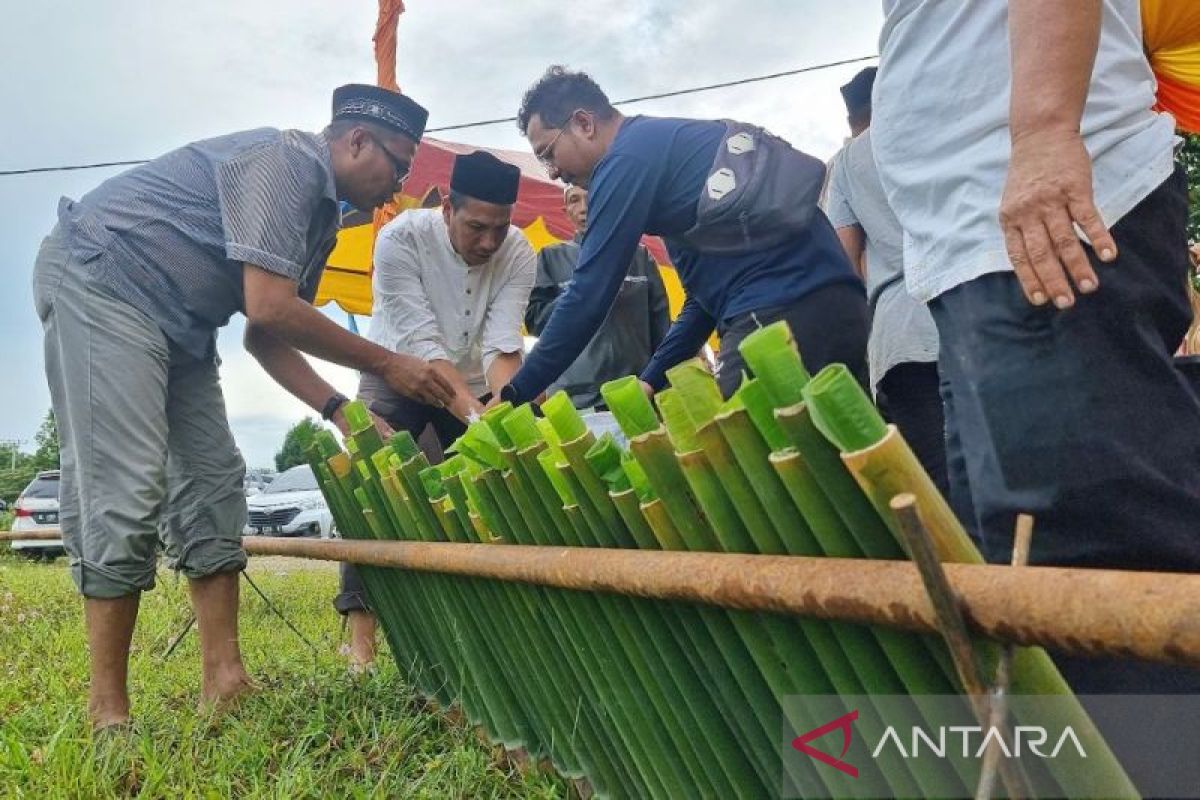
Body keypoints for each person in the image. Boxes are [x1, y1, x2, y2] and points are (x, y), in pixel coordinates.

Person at [33, 83, 455, 730]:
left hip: (181, 322)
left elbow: (266, 334)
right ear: (356, 140)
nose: (398, 184)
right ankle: (107, 713)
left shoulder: (326, 220)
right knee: (128, 483)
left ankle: (225, 681)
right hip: (103, 278)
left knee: (212, 481)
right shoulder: (289, 163)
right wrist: (388, 363)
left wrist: (340, 410)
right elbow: (269, 307)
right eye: (397, 164)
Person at [872, 0, 1200, 700]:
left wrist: (1045, 136)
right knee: (1025, 573)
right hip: (980, 239)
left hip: (1046, 220)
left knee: (1099, 578)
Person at [496, 66, 868, 405]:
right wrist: (652, 379)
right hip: (836, 303)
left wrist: (516, 392)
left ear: (583, 123)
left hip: (776, 315)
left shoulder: (624, 161)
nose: (552, 172)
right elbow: (704, 301)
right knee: (855, 460)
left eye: (548, 153)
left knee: (753, 464)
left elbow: (590, 291)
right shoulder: (663, 154)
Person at [334, 150, 536, 668]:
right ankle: (361, 641)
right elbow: (423, 343)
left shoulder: (518, 251)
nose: (488, 242)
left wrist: (504, 408)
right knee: (372, 488)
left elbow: (502, 344)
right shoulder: (400, 238)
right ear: (447, 208)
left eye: (499, 227)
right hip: (396, 372)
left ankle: (481, 628)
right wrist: (475, 413)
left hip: (472, 382)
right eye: (476, 227)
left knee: (493, 487)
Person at [823, 67, 946, 496]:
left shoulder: (845, 164)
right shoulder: (935, 128)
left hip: (900, 336)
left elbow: (845, 261)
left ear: (851, 118)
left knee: (936, 481)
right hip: (971, 307)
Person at [525, 186, 671, 409]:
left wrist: (661, 385)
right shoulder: (550, 258)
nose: (584, 208)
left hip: (637, 395)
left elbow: (662, 329)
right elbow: (536, 323)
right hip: (575, 403)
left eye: (591, 197)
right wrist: (580, 291)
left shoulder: (639, 255)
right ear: (566, 212)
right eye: (574, 200)